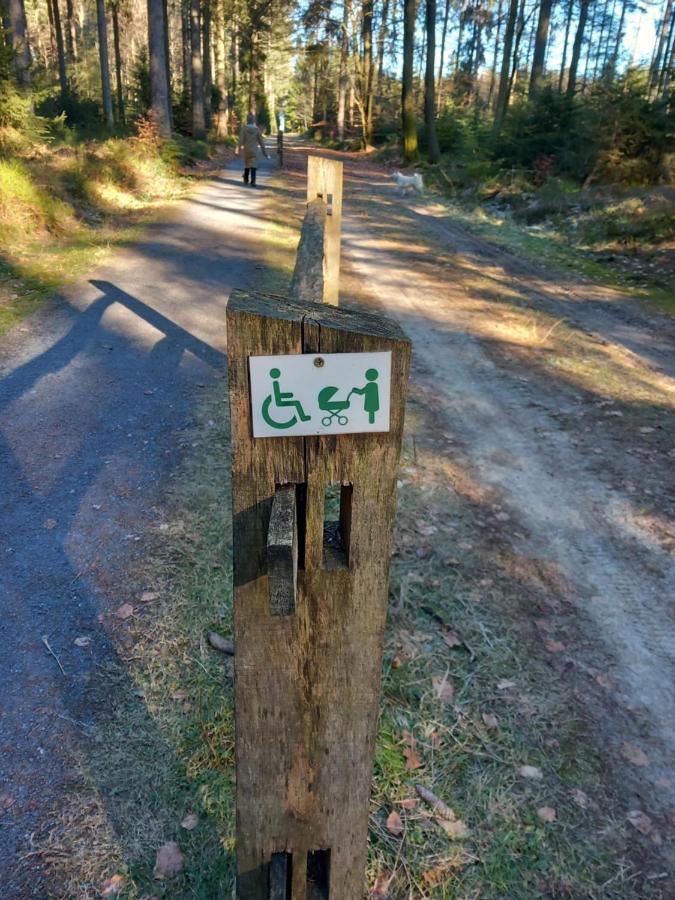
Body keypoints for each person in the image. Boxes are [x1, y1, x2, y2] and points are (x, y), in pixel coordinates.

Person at [238, 113, 269, 187]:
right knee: (253, 165)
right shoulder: (257, 130)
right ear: (253, 121)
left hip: (246, 150)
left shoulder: (244, 129)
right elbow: (261, 142)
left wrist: (238, 149)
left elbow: (241, 140)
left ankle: (245, 178)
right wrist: (265, 153)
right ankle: (253, 181)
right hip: (254, 150)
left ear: (247, 120)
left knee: (247, 164)